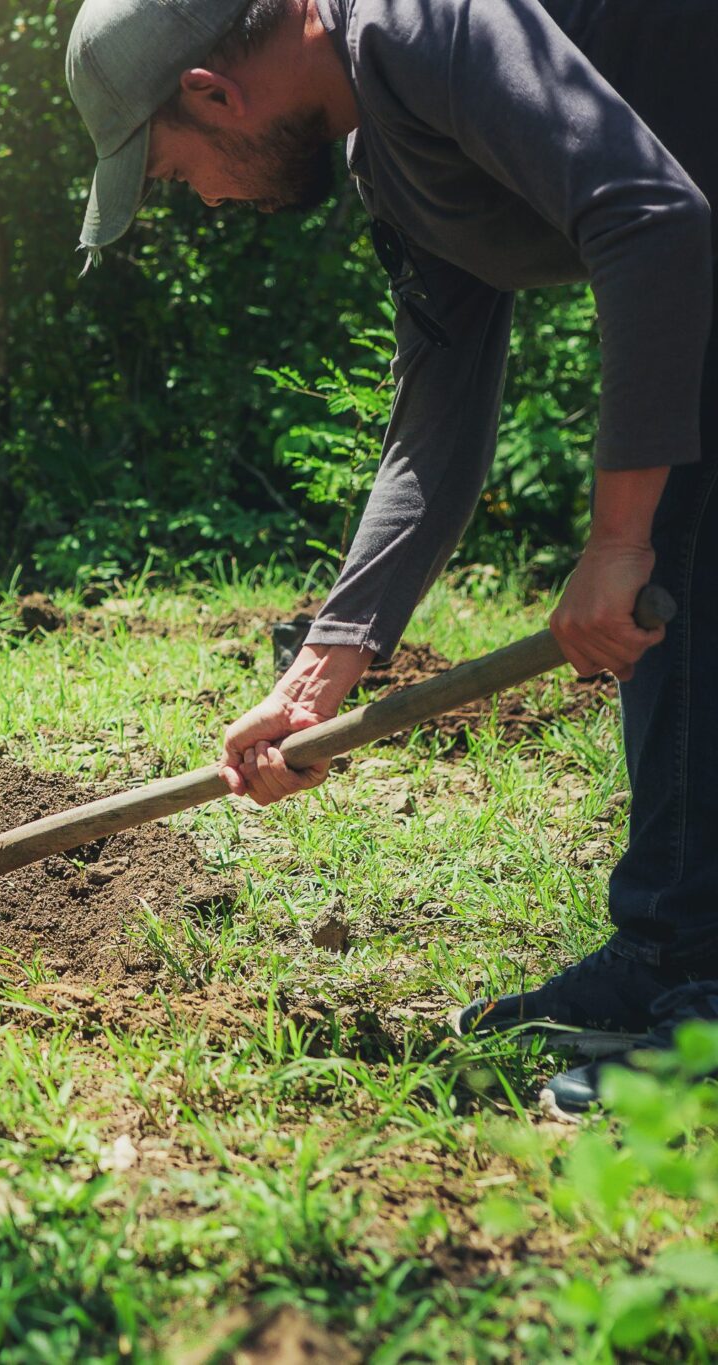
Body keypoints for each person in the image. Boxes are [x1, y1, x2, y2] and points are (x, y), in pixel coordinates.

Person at [64, 0, 716, 1115]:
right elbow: (438, 411)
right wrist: (317, 676)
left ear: (211, 93)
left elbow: (650, 220)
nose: (211, 204)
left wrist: (615, 539)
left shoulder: (419, 24)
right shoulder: (386, 148)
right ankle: (671, 950)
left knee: (675, 559)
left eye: (178, 176)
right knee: (679, 589)